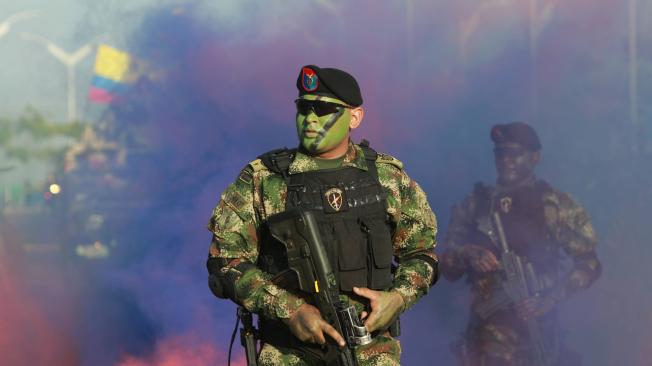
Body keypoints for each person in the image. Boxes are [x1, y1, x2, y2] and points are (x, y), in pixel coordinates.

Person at [207, 65, 439, 365]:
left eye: (324, 110)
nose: (310, 119)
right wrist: (289, 310)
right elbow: (225, 262)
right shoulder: (264, 179)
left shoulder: (385, 177)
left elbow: (423, 254)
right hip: (290, 353)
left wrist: (398, 298)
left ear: (354, 117)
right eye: (304, 108)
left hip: (372, 354)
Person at [440, 122, 601, 365]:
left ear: (535, 157)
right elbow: (445, 265)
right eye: (500, 153)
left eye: (515, 154)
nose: (506, 160)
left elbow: (590, 264)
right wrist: (467, 253)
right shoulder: (475, 204)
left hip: (536, 332)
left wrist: (549, 298)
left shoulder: (554, 206)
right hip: (485, 340)